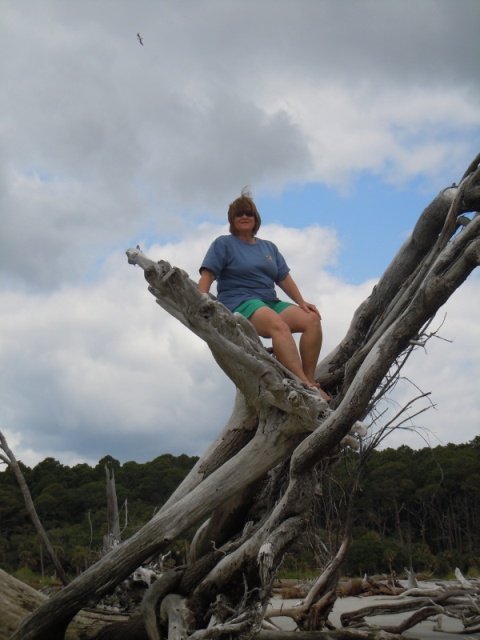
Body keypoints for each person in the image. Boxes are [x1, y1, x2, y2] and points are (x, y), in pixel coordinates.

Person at [198, 190, 330, 401]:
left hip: (269, 301)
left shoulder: (268, 247)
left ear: (255, 218)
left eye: (248, 213)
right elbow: (208, 274)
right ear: (232, 219)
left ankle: (309, 381)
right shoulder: (223, 244)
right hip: (240, 302)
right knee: (278, 325)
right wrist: (199, 300)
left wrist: (301, 302)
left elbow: (284, 277)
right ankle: (303, 384)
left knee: (312, 320)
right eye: (238, 214)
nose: (244, 217)